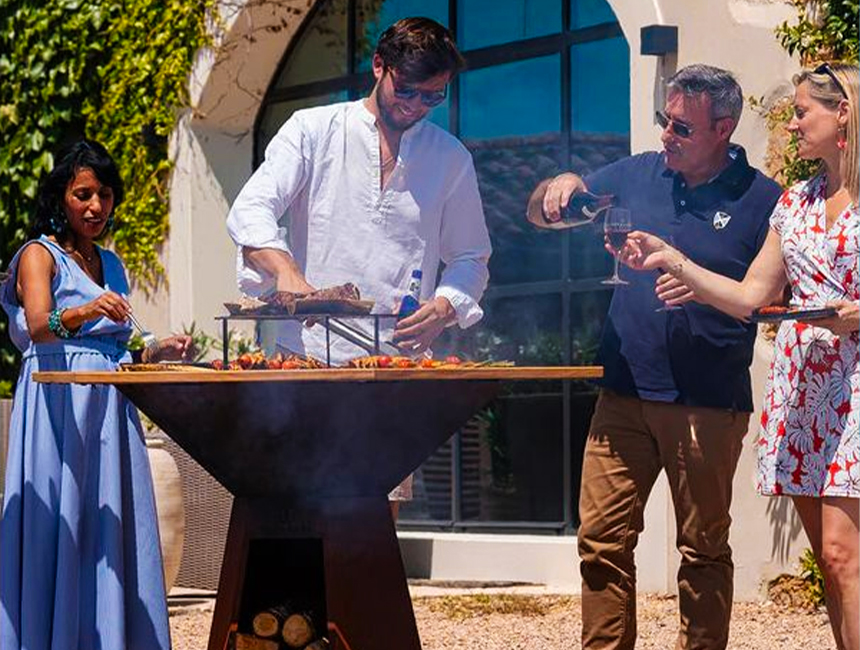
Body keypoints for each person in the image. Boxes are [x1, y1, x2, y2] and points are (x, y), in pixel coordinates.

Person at [526, 64, 783, 649]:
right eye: (665, 121)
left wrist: (694, 281)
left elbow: (765, 299)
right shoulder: (640, 173)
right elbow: (542, 215)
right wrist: (558, 187)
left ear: (723, 128)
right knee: (600, 539)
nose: (666, 135)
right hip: (622, 395)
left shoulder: (762, 198)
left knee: (702, 549)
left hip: (706, 403)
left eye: (682, 128)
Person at [622, 62, 859, 650]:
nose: (793, 120)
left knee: (842, 553)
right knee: (832, 564)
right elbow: (751, 297)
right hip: (806, 391)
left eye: (804, 110)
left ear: (844, 114)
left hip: (856, 388)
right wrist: (672, 259)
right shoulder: (795, 204)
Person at [226, 17, 491, 509]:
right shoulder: (313, 130)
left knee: (374, 523)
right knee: (293, 511)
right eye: (407, 91)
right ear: (378, 67)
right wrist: (287, 274)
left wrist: (446, 304)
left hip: (391, 370)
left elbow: (471, 257)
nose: (415, 107)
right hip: (302, 365)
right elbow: (250, 210)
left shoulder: (450, 158)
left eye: (433, 98)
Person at [0, 139, 194, 650]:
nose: (95, 206)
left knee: (111, 523)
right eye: (83, 193)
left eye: (105, 195)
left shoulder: (110, 263)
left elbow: (126, 347)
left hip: (109, 404)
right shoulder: (39, 255)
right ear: (60, 197)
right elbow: (40, 325)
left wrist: (161, 348)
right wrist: (88, 312)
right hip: (56, 402)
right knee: (61, 520)